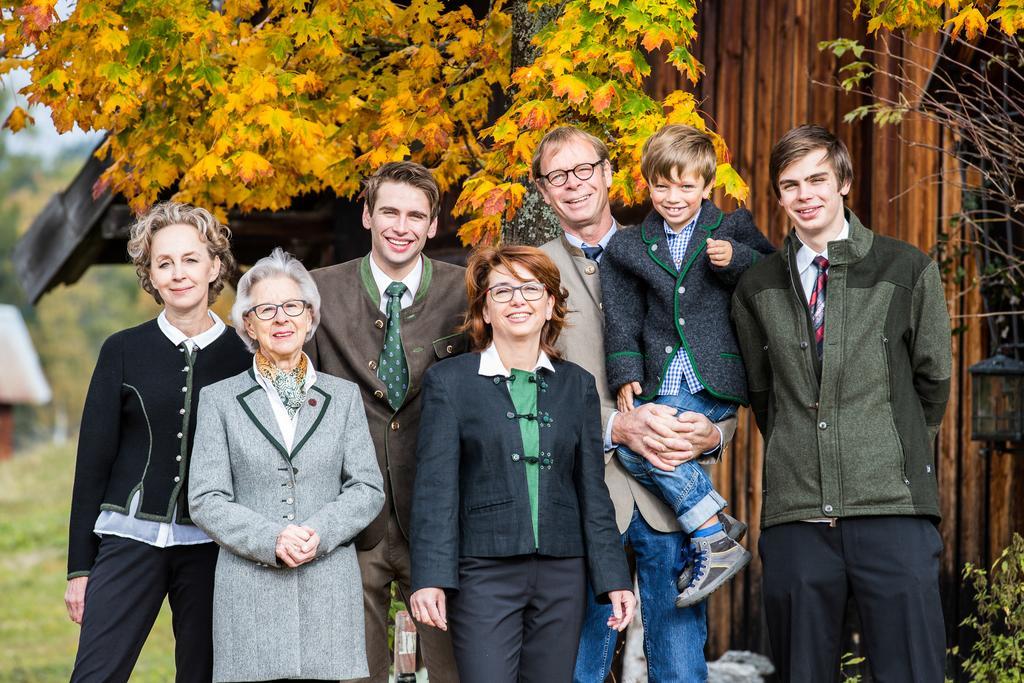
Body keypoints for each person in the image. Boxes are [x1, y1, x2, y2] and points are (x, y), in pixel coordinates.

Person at [731, 124, 952, 681]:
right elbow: (763, 394)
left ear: (844, 182)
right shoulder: (755, 287)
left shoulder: (907, 270)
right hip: (796, 517)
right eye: (790, 184)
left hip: (892, 511)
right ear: (778, 196)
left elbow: (933, 381)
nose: (805, 195)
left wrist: (881, 447)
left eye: (817, 179)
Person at [533, 125, 740, 682]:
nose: (573, 185)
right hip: (579, 493)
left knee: (678, 660)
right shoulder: (529, 271)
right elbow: (522, 388)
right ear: (544, 191)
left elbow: (718, 358)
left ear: (607, 174)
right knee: (578, 663)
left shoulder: (671, 247)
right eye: (558, 176)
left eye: (583, 170)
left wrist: (718, 434)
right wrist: (615, 426)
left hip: (667, 489)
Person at [408, 245, 635, 683]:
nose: (518, 300)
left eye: (531, 289)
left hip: (563, 572)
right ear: (485, 310)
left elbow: (592, 489)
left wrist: (614, 578)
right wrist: (430, 577)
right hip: (481, 572)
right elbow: (436, 489)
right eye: (503, 290)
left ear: (550, 304)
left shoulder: (578, 386)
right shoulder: (449, 382)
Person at [65, 202, 251, 682]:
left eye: (190, 259)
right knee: (95, 675)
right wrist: (79, 568)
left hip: (214, 546)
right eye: (163, 263)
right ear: (149, 274)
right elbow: (93, 463)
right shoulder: (121, 350)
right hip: (130, 536)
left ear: (214, 266)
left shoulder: (245, 356)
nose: (178, 273)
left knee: (205, 676)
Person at [189, 248, 385, 682]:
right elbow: (205, 498)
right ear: (248, 325)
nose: (282, 318)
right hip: (250, 593)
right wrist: (272, 539)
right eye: (266, 309)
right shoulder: (219, 401)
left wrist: (320, 533)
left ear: (310, 316)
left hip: (327, 589)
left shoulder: (343, 396)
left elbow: (367, 487)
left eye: (292, 306)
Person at [601, 124, 775, 607]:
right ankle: (712, 521)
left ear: (706, 185)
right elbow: (621, 313)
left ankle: (713, 539)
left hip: (710, 373)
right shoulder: (631, 246)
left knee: (648, 445)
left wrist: (737, 259)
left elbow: (774, 273)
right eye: (662, 185)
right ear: (648, 184)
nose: (673, 196)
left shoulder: (731, 228)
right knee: (637, 450)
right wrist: (624, 372)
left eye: (686, 186)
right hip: (660, 373)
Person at [305, 161, 465, 683]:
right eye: (390, 212)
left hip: (441, 519)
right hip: (349, 517)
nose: (402, 226)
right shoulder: (314, 292)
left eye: (416, 215)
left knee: (454, 670)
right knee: (353, 671)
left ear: (433, 226)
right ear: (368, 216)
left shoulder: (468, 293)